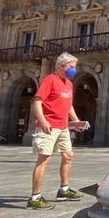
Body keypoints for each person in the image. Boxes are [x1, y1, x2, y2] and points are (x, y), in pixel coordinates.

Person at [28, 52, 84, 210]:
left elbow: (69, 105)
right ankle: (35, 197)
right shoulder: (50, 80)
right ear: (62, 66)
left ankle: (64, 190)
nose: (75, 70)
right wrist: (43, 120)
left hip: (63, 126)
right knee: (43, 160)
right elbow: (37, 102)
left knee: (68, 156)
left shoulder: (68, 83)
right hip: (49, 126)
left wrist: (76, 120)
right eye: (72, 67)